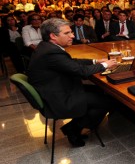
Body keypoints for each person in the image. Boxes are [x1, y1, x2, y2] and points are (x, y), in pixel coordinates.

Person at [27, 18, 117, 147]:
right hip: (59, 97)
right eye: (67, 33)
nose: (72, 35)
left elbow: (70, 62)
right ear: (53, 36)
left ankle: (78, 125)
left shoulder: (47, 47)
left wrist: (94, 61)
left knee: (103, 92)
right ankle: (73, 129)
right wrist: (104, 65)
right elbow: (81, 72)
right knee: (108, 102)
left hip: (57, 89)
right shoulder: (51, 52)